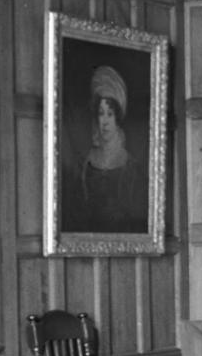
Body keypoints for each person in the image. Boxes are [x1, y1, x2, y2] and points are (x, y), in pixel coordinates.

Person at [63, 63, 147, 234]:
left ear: (118, 118)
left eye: (110, 114)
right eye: (101, 114)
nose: (105, 121)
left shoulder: (132, 167)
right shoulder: (85, 165)